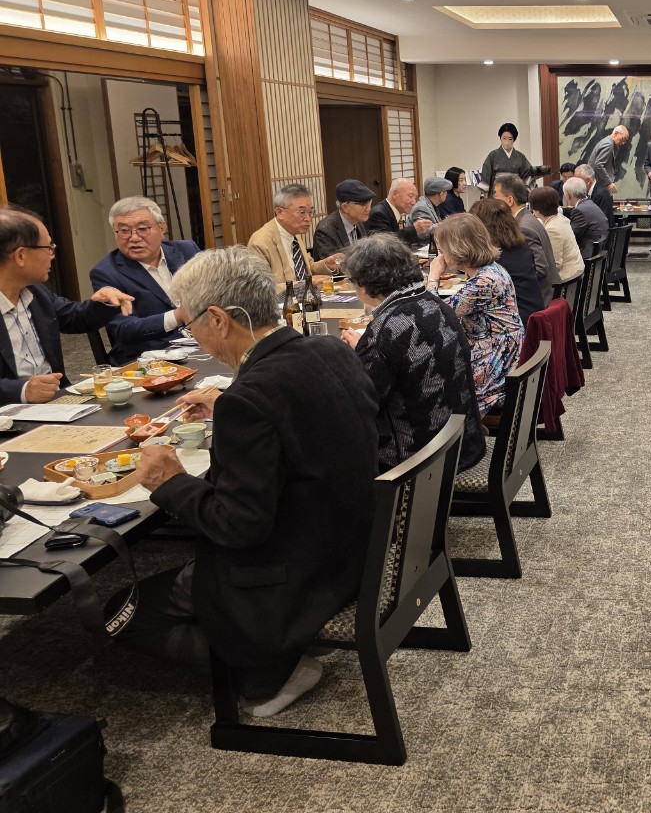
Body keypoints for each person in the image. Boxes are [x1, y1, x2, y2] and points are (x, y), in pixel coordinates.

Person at [126, 247, 378, 718]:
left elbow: (238, 526)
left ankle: (269, 670)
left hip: (293, 577)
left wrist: (169, 479)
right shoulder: (329, 350)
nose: (194, 336)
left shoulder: (251, 397)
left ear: (218, 319)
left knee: (124, 615)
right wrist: (230, 411)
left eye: (191, 324)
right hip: (355, 549)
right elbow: (306, 428)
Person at [338, 234, 486, 473]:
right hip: (462, 444)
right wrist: (366, 350)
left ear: (363, 285)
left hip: (419, 464)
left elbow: (361, 404)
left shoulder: (384, 332)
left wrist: (355, 358)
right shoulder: (437, 304)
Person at [0, 208, 133, 403]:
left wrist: (104, 300)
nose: (52, 255)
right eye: (48, 247)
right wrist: (21, 390)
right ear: (21, 256)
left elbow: (75, 317)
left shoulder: (36, 292)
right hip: (11, 413)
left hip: (58, 401)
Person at [426, 214, 523, 414]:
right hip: (500, 351)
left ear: (458, 249)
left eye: (443, 249)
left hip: (495, 363)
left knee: (428, 386)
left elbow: (434, 315)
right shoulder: (492, 270)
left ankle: (467, 425)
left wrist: (433, 277)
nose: (441, 255)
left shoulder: (484, 282)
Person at [89, 196, 200, 363]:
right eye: (124, 231)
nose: (134, 238)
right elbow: (123, 329)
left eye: (142, 228)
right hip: (148, 358)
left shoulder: (187, 250)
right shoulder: (106, 273)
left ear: (162, 228)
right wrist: (177, 316)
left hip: (202, 344)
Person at [246, 184, 340, 288]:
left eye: (310, 212)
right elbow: (260, 288)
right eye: (302, 212)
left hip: (306, 295)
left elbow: (307, 268)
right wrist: (302, 285)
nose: (308, 218)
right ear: (280, 213)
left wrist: (326, 265)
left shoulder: (294, 233)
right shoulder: (260, 243)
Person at [471, 198, 544, 326]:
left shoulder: (496, 258)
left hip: (516, 321)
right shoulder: (521, 246)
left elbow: (473, 296)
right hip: (532, 314)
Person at [492, 172, 560, 306]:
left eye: (495, 195)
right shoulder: (528, 218)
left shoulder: (522, 227)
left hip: (538, 298)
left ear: (509, 200)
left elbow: (540, 268)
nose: (493, 200)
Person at [529, 186, 584, 281]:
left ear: (536, 211)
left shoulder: (552, 230)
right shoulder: (561, 218)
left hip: (565, 281)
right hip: (575, 274)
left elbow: (554, 264)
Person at [311, 179, 373, 261]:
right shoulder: (325, 230)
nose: (368, 209)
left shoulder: (361, 221)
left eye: (369, 202)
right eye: (364, 204)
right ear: (345, 207)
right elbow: (333, 265)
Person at [366, 178, 429, 244]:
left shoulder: (396, 212)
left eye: (415, 198)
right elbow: (386, 243)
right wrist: (413, 229)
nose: (414, 202)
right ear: (395, 194)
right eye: (410, 196)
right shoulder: (379, 214)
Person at [563, 176, 609, 261]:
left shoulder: (579, 211)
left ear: (568, 196)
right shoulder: (590, 204)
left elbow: (570, 237)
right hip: (599, 253)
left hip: (588, 257)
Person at [480, 122, 534, 195]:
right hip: (497, 193)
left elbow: (528, 174)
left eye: (510, 139)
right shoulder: (493, 155)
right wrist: (485, 196)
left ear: (514, 139)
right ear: (500, 138)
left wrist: (525, 188)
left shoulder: (520, 157)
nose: (506, 142)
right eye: (504, 138)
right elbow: (486, 175)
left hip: (515, 193)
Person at [407, 176, 454, 243]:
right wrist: (445, 224)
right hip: (420, 247)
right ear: (441, 194)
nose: (447, 194)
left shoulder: (430, 204)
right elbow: (423, 232)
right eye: (446, 192)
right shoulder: (422, 207)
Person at [586, 125, 629, 196]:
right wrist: (609, 183)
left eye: (625, 141)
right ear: (616, 133)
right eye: (623, 139)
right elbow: (599, 165)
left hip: (598, 186)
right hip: (600, 186)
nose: (623, 143)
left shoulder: (606, 141)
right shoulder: (608, 144)